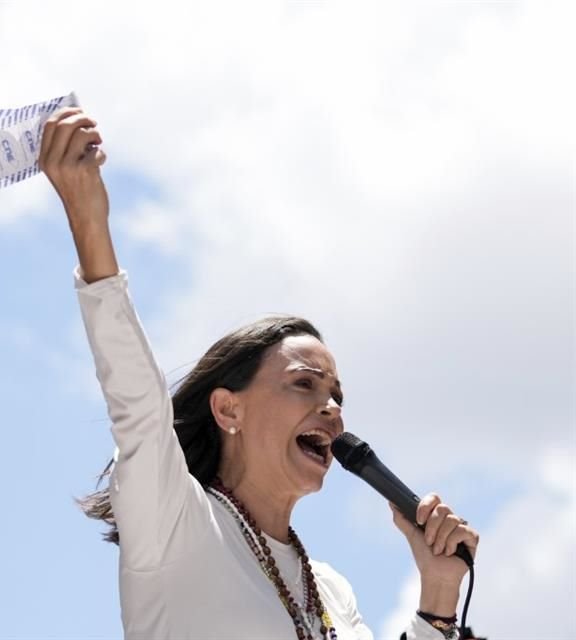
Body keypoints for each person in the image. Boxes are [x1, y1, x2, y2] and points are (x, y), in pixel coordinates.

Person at [39, 107, 480, 640]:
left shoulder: (330, 591)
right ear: (228, 408)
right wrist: (88, 218)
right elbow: (137, 402)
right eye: (304, 383)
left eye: (337, 394)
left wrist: (438, 595)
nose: (333, 409)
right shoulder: (175, 523)